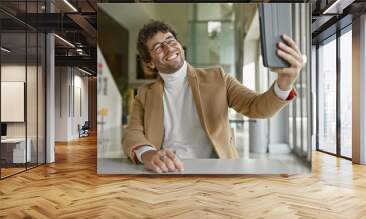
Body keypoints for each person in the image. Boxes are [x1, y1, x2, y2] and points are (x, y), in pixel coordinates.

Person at [122, 21, 304, 173]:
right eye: (158, 47)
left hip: (217, 170)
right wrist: (147, 153)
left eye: (170, 40)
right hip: (168, 170)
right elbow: (133, 132)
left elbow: (256, 106)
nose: (168, 47)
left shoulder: (217, 77)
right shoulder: (145, 93)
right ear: (149, 62)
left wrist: (284, 84)